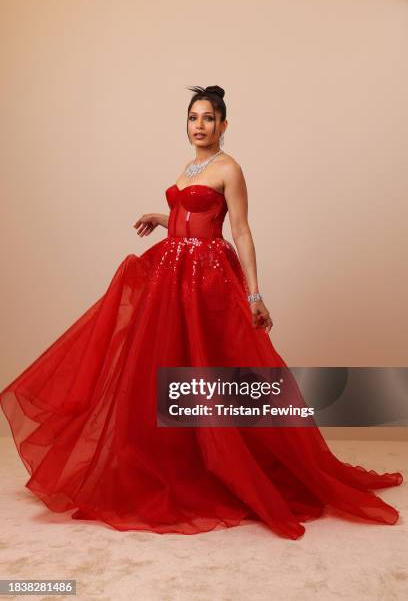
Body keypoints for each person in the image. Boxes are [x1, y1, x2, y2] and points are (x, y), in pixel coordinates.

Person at [0, 85, 403, 540]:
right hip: (171, 274)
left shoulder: (230, 168)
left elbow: (241, 231)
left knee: (211, 371)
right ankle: (183, 458)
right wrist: (161, 215)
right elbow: (189, 212)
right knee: (167, 368)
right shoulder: (191, 166)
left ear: (223, 126)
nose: (200, 125)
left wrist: (254, 295)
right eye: (193, 117)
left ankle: (230, 462)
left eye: (209, 118)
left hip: (207, 279)